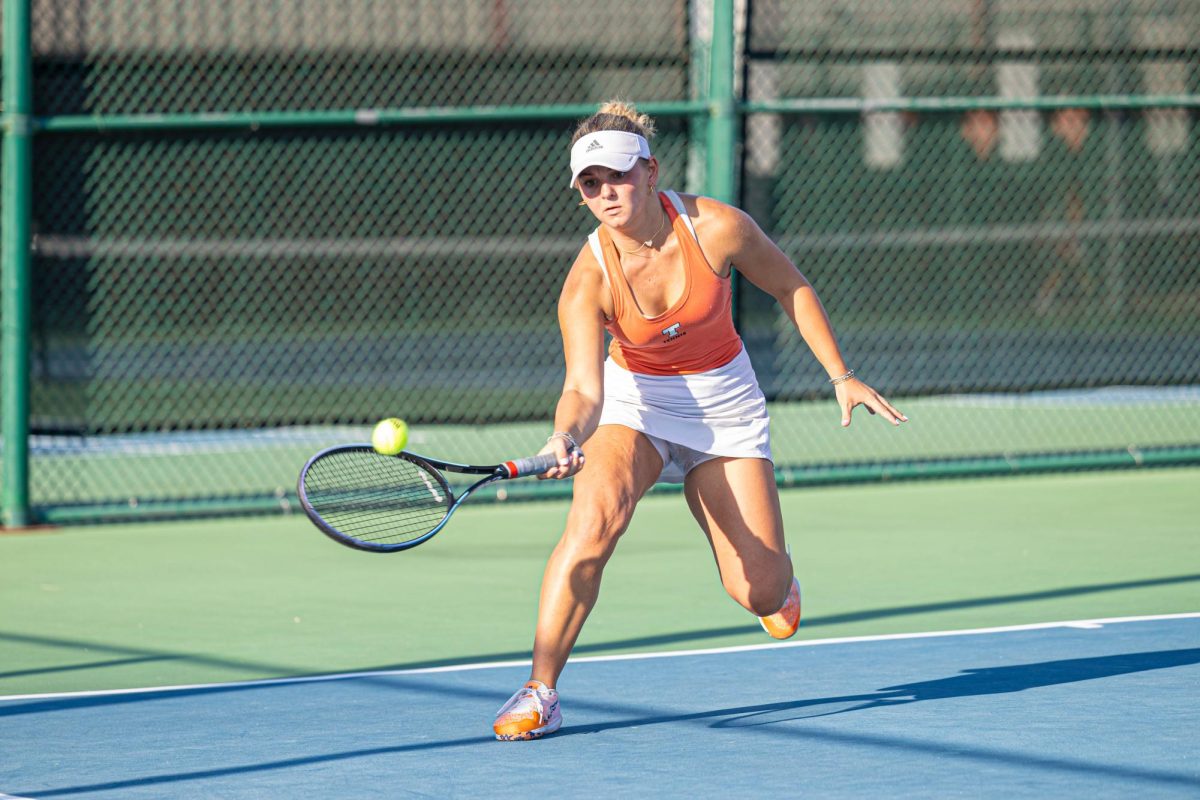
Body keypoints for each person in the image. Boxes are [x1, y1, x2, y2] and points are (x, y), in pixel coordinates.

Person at [492, 101, 906, 741]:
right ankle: (540, 688)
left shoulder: (715, 227)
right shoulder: (586, 281)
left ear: (650, 171)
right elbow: (582, 385)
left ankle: (775, 577)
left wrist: (841, 375)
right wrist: (565, 435)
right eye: (590, 184)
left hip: (725, 407)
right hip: (636, 402)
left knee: (759, 595)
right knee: (593, 522)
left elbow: (790, 286)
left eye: (618, 176)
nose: (607, 193)